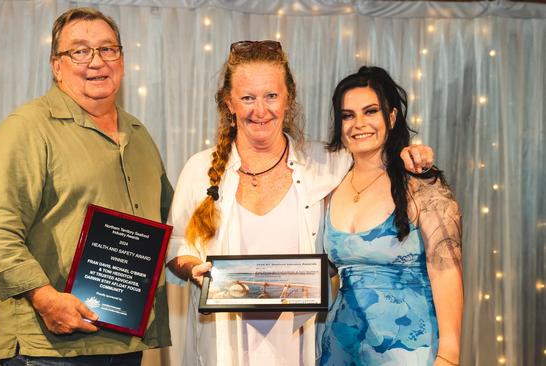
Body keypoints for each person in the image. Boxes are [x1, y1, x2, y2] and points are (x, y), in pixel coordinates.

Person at [166, 41, 434, 366]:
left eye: (271, 96)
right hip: (223, 345)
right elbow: (176, 245)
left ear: (288, 98)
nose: (260, 110)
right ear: (228, 103)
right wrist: (193, 267)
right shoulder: (199, 169)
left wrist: (409, 152)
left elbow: (373, 155)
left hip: (304, 346)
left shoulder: (327, 162)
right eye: (248, 97)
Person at [0, 8, 172, 366]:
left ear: (121, 59)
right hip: (49, 349)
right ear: (56, 65)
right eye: (80, 51)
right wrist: (45, 298)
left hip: (123, 346)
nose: (97, 61)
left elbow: (167, 220)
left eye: (108, 49)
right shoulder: (28, 127)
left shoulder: (140, 136)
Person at [319, 66, 463, 366]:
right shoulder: (331, 186)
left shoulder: (422, 183)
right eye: (347, 115)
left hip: (408, 350)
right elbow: (325, 271)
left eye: (370, 111)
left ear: (392, 117)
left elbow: (446, 271)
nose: (358, 124)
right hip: (340, 349)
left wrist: (448, 356)